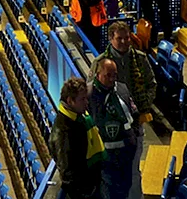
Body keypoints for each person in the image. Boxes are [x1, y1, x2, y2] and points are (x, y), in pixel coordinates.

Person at [91, 59, 139, 199]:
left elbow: (134, 115)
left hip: (125, 157)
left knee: (124, 191)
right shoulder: (88, 95)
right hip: (103, 162)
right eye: (108, 75)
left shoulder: (122, 89)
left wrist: (133, 139)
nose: (112, 79)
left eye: (115, 75)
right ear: (98, 74)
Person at [50, 77, 105, 199]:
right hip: (83, 192)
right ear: (70, 101)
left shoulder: (79, 115)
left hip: (93, 182)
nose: (87, 102)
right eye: (82, 99)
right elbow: (67, 172)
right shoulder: (64, 131)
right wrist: (84, 192)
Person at [103, 22, 159, 129]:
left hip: (137, 117)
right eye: (119, 38)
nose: (124, 42)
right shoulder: (101, 63)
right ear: (111, 39)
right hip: (112, 119)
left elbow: (151, 83)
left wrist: (145, 104)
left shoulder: (140, 58)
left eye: (127, 38)